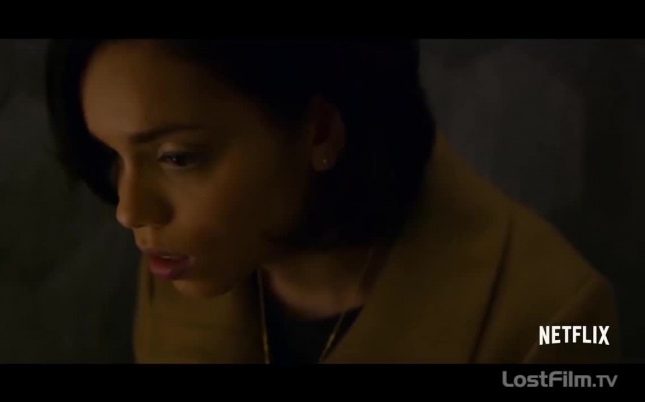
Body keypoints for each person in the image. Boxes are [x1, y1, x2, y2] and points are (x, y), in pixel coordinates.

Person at [45, 39, 620, 364]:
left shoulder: (554, 320)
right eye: (113, 155)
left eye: (177, 157)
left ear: (318, 131)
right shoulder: (183, 258)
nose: (130, 211)